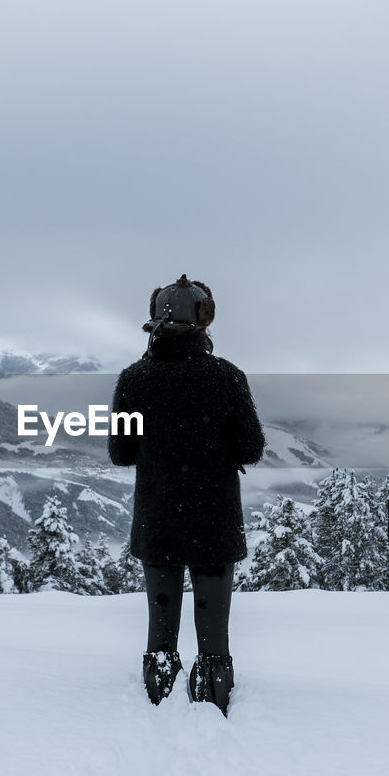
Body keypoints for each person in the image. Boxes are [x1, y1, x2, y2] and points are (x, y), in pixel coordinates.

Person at [107, 275, 265, 716]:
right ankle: (214, 690)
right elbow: (251, 448)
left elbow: (121, 453)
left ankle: (158, 693)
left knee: (160, 618)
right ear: (204, 321)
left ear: (154, 320)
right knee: (214, 623)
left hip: (158, 516)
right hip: (214, 517)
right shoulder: (228, 377)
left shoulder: (134, 379)